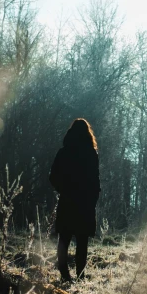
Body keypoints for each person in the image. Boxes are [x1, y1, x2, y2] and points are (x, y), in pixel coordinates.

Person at [49, 118, 100, 282]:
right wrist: (93, 198)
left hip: (67, 201)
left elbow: (52, 176)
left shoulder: (64, 152)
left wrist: (62, 189)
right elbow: (95, 180)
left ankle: (64, 274)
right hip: (85, 203)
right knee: (82, 241)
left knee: (63, 239)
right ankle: (80, 275)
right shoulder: (91, 153)